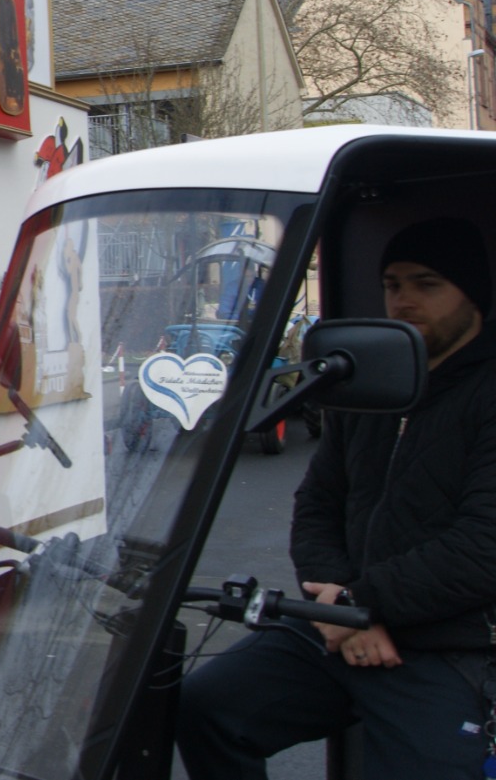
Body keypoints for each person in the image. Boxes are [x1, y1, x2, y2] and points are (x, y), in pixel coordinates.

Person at [176, 216, 496, 779]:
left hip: (448, 645)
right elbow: (317, 505)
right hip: (341, 624)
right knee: (206, 705)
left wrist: (356, 603)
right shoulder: (370, 383)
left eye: (427, 284)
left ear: (472, 294)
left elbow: (481, 546)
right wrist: (339, 610)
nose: (404, 300)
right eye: (393, 285)